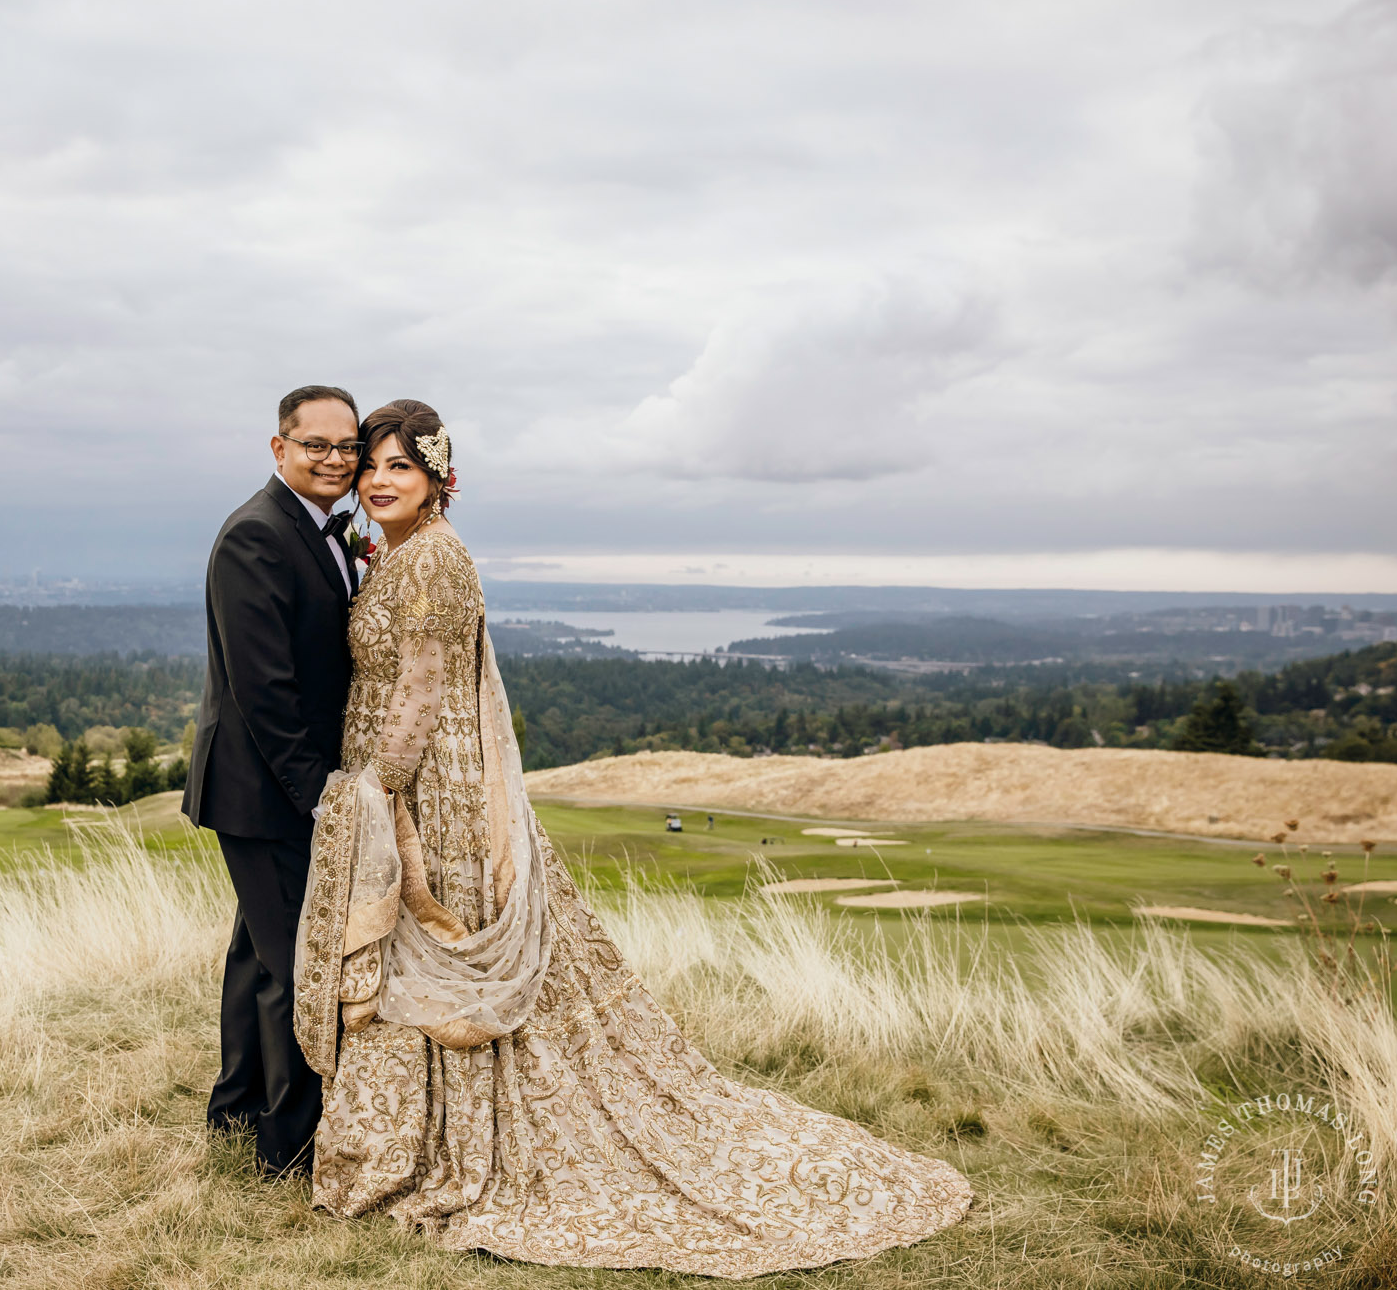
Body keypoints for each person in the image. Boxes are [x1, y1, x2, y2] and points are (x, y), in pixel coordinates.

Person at [294, 399, 971, 1277]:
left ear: (437, 481)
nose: (380, 480)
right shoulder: (400, 551)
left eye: (402, 467)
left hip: (429, 792)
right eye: (374, 465)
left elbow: (421, 694)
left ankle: (441, 1154)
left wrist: (374, 795)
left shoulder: (433, 561)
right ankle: (413, 1144)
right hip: (408, 782)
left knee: (434, 955)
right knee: (415, 961)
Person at [183, 384, 363, 1176]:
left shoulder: (326, 531)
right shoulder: (256, 535)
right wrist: (321, 797)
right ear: (278, 448)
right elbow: (265, 692)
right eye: (315, 445)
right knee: (294, 966)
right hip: (267, 791)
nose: (334, 459)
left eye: (346, 447)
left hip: (278, 787)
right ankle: (289, 1149)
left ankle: (237, 1111)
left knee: (257, 955)